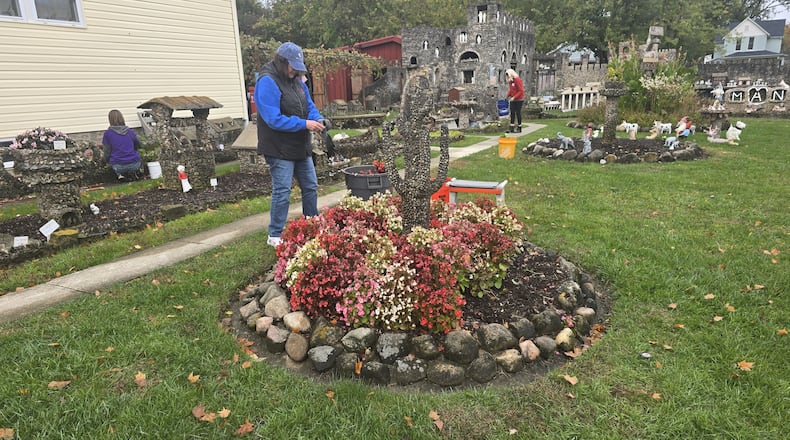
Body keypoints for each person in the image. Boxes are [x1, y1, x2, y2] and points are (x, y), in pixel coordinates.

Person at [255, 42, 327, 247]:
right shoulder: (267, 81)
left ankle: (311, 223)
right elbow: (273, 119)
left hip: (300, 145)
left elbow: (309, 106)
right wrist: (304, 124)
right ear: (282, 61)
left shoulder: (297, 80)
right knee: (282, 191)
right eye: (292, 66)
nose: (295, 70)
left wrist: (318, 119)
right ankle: (275, 234)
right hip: (278, 148)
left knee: (310, 186)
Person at [102, 109, 142, 180]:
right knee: (137, 156)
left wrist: (104, 161)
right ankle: (134, 172)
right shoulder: (130, 131)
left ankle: (120, 175)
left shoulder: (108, 134)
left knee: (115, 161)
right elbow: (138, 145)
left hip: (118, 165)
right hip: (135, 163)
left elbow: (107, 151)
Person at [505, 69, 525, 133]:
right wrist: (507, 96)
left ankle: (519, 127)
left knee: (518, 112)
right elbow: (511, 90)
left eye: (508, 75)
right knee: (512, 113)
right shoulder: (511, 81)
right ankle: (512, 127)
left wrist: (514, 97)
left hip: (519, 99)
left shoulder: (517, 80)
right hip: (513, 99)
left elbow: (521, 90)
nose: (508, 77)